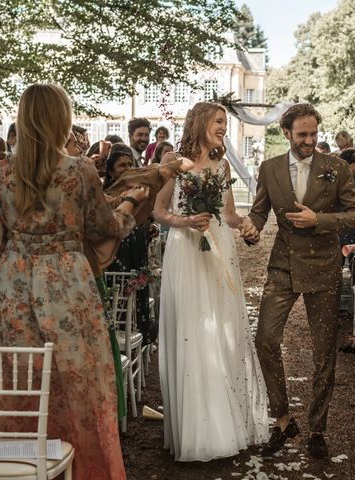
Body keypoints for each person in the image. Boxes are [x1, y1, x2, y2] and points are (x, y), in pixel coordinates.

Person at [0, 83, 147, 480]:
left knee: (18, 381)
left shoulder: (1, 172)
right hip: (69, 286)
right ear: (62, 120)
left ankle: (17, 469)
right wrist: (128, 205)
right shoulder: (78, 171)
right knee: (81, 384)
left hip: (11, 288)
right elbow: (103, 228)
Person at [245, 103, 355, 458]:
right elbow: (258, 210)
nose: (309, 140)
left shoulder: (337, 167)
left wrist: (320, 220)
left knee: (323, 351)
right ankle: (283, 420)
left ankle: (317, 429)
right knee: (265, 339)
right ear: (286, 133)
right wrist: (252, 229)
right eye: (302, 135)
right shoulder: (269, 168)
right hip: (282, 264)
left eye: (313, 134)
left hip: (324, 266)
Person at [154, 102, 269, 462]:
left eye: (224, 122)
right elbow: (157, 210)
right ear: (202, 122)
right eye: (219, 122)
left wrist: (247, 225)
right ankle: (194, 429)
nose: (223, 128)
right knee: (191, 329)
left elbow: (230, 214)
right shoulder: (175, 161)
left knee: (219, 332)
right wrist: (184, 222)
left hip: (218, 249)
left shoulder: (221, 166)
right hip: (185, 250)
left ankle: (221, 423)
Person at [104, 144, 154, 343]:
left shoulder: (141, 193)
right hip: (116, 256)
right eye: (121, 166)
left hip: (137, 252)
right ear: (111, 171)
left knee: (137, 300)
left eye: (130, 165)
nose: (126, 169)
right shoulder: (106, 195)